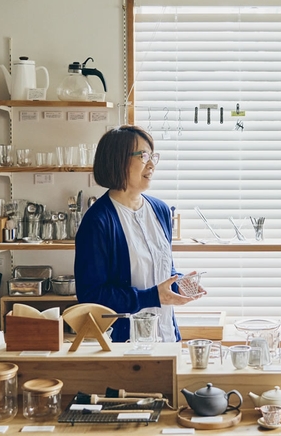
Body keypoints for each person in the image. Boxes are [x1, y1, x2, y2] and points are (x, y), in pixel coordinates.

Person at [74, 124, 203, 343]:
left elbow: (160, 269)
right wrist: (152, 296)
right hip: (125, 343)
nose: (152, 164)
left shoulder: (160, 210)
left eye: (153, 156)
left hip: (167, 334)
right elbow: (91, 295)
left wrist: (177, 281)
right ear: (118, 160)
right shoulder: (98, 221)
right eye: (143, 156)